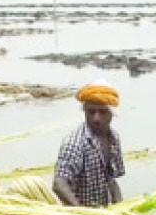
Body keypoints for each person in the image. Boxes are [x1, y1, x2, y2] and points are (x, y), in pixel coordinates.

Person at [53, 79, 125, 207]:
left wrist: (121, 208)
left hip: (103, 211)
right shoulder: (75, 143)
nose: (96, 118)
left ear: (111, 113)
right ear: (85, 110)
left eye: (102, 112)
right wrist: (81, 212)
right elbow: (59, 183)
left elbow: (111, 179)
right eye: (91, 111)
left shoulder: (113, 139)